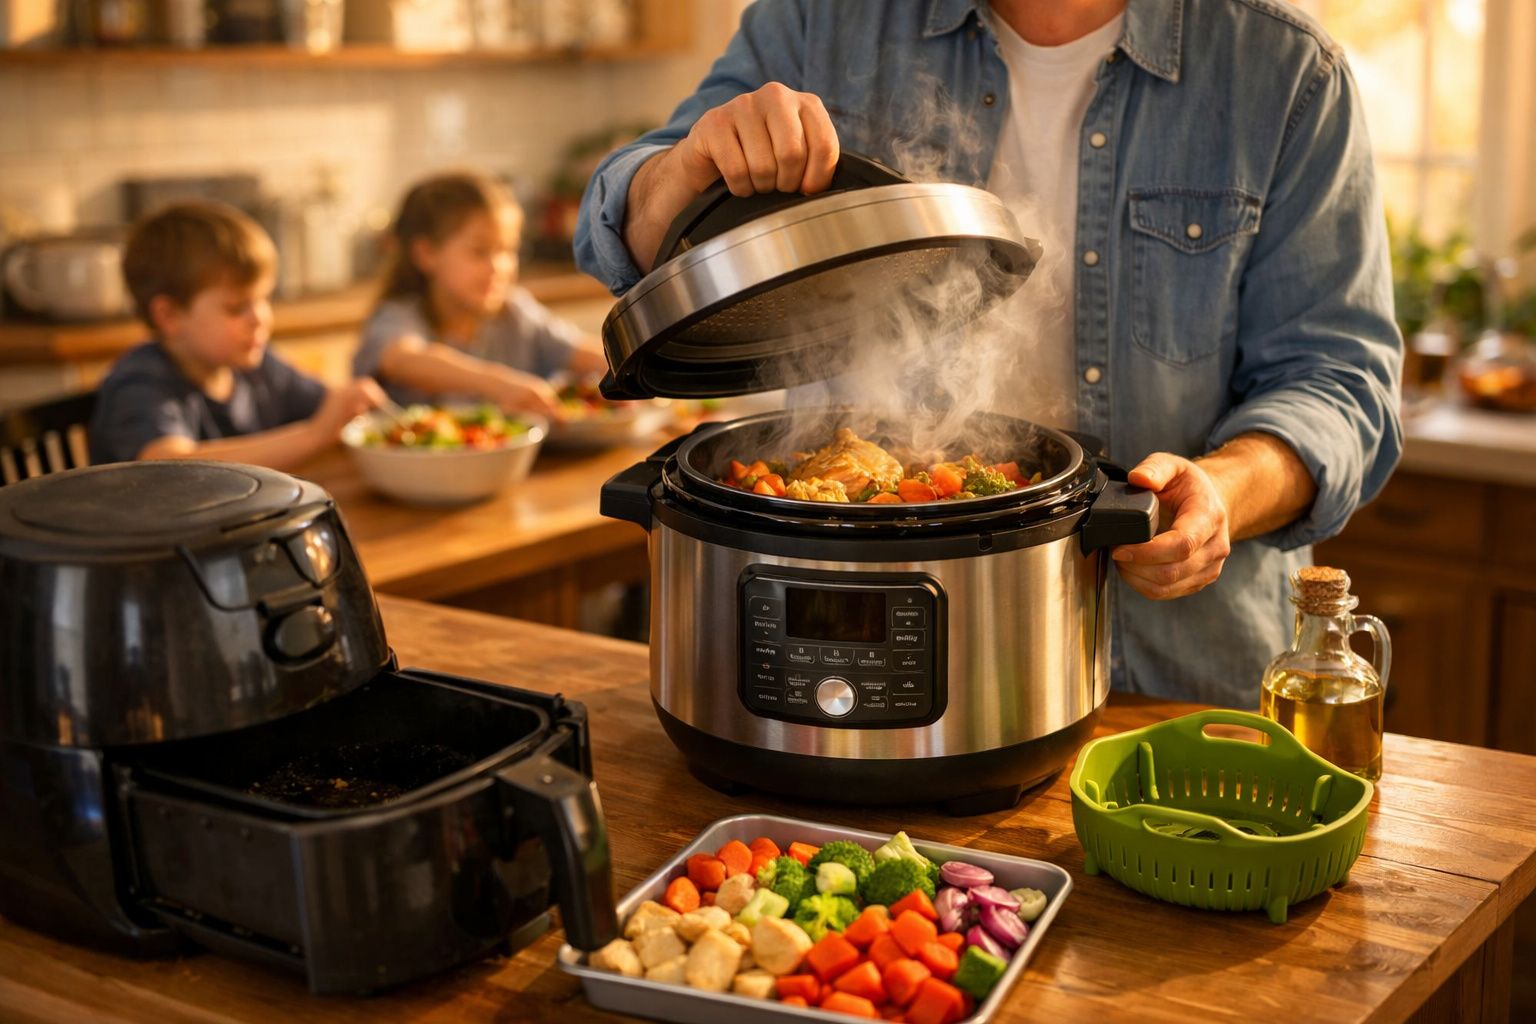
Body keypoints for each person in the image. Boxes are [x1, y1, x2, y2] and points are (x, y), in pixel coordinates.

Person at [574, 0, 1404, 706]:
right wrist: (683, 168)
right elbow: (634, 226)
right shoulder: (822, 19)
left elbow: (1340, 382)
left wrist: (1219, 492)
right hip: (851, 658)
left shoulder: (1285, 69)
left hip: (1174, 682)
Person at [90, 201, 383, 470]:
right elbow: (168, 469)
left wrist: (348, 406)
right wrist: (313, 435)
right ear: (169, 316)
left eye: (263, 299)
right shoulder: (139, 382)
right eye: (236, 308)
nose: (260, 318)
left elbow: (328, 409)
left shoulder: (260, 367)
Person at [354, 171, 608, 419]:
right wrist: (498, 383)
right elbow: (403, 360)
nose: (498, 267)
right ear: (426, 254)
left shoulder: (516, 312)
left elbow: (588, 356)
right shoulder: (398, 316)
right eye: (479, 251)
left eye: (508, 250)